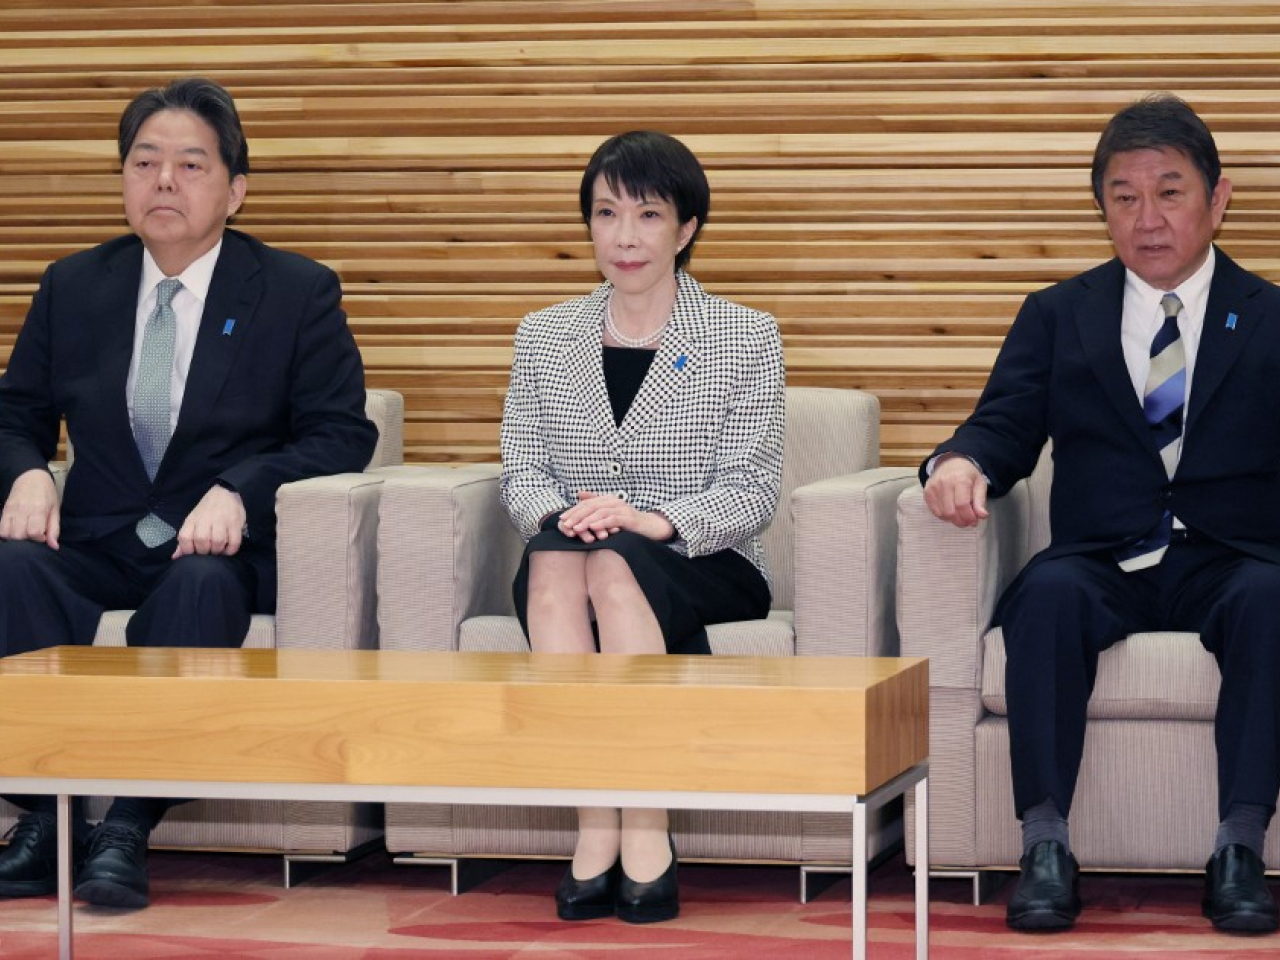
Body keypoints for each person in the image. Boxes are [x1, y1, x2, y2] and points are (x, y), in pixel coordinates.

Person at [0, 78, 377, 909]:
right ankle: (44, 816)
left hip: (218, 548)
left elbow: (342, 433)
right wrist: (27, 469)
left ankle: (127, 825)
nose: (163, 181)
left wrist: (241, 490)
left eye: (189, 164)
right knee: (12, 568)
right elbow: (13, 412)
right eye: (144, 162)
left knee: (201, 587)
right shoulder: (74, 285)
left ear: (235, 190)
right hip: (96, 539)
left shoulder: (293, 291)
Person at [923, 93, 1280, 935]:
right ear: (1102, 209)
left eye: (1170, 191)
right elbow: (1003, 422)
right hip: (1101, 555)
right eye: (1124, 196)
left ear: (1217, 198)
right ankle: (1045, 845)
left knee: (1273, 602)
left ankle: (1238, 847)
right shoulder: (1059, 314)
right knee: (1043, 600)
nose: (1147, 218)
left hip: (1231, 556)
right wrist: (960, 461)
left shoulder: (1269, 317)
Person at [500, 130, 785, 924]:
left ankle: (647, 822)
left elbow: (752, 491)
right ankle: (598, 821)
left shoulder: (743, 336)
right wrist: (568, 514)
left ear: (685, 229)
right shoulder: (544, 335)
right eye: (606, 214)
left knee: (611, 563)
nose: (624, 238)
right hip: (576, 542)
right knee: (563, 558)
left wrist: (648, 519)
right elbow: (520, 470)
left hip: (704, 556)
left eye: (648, 215)